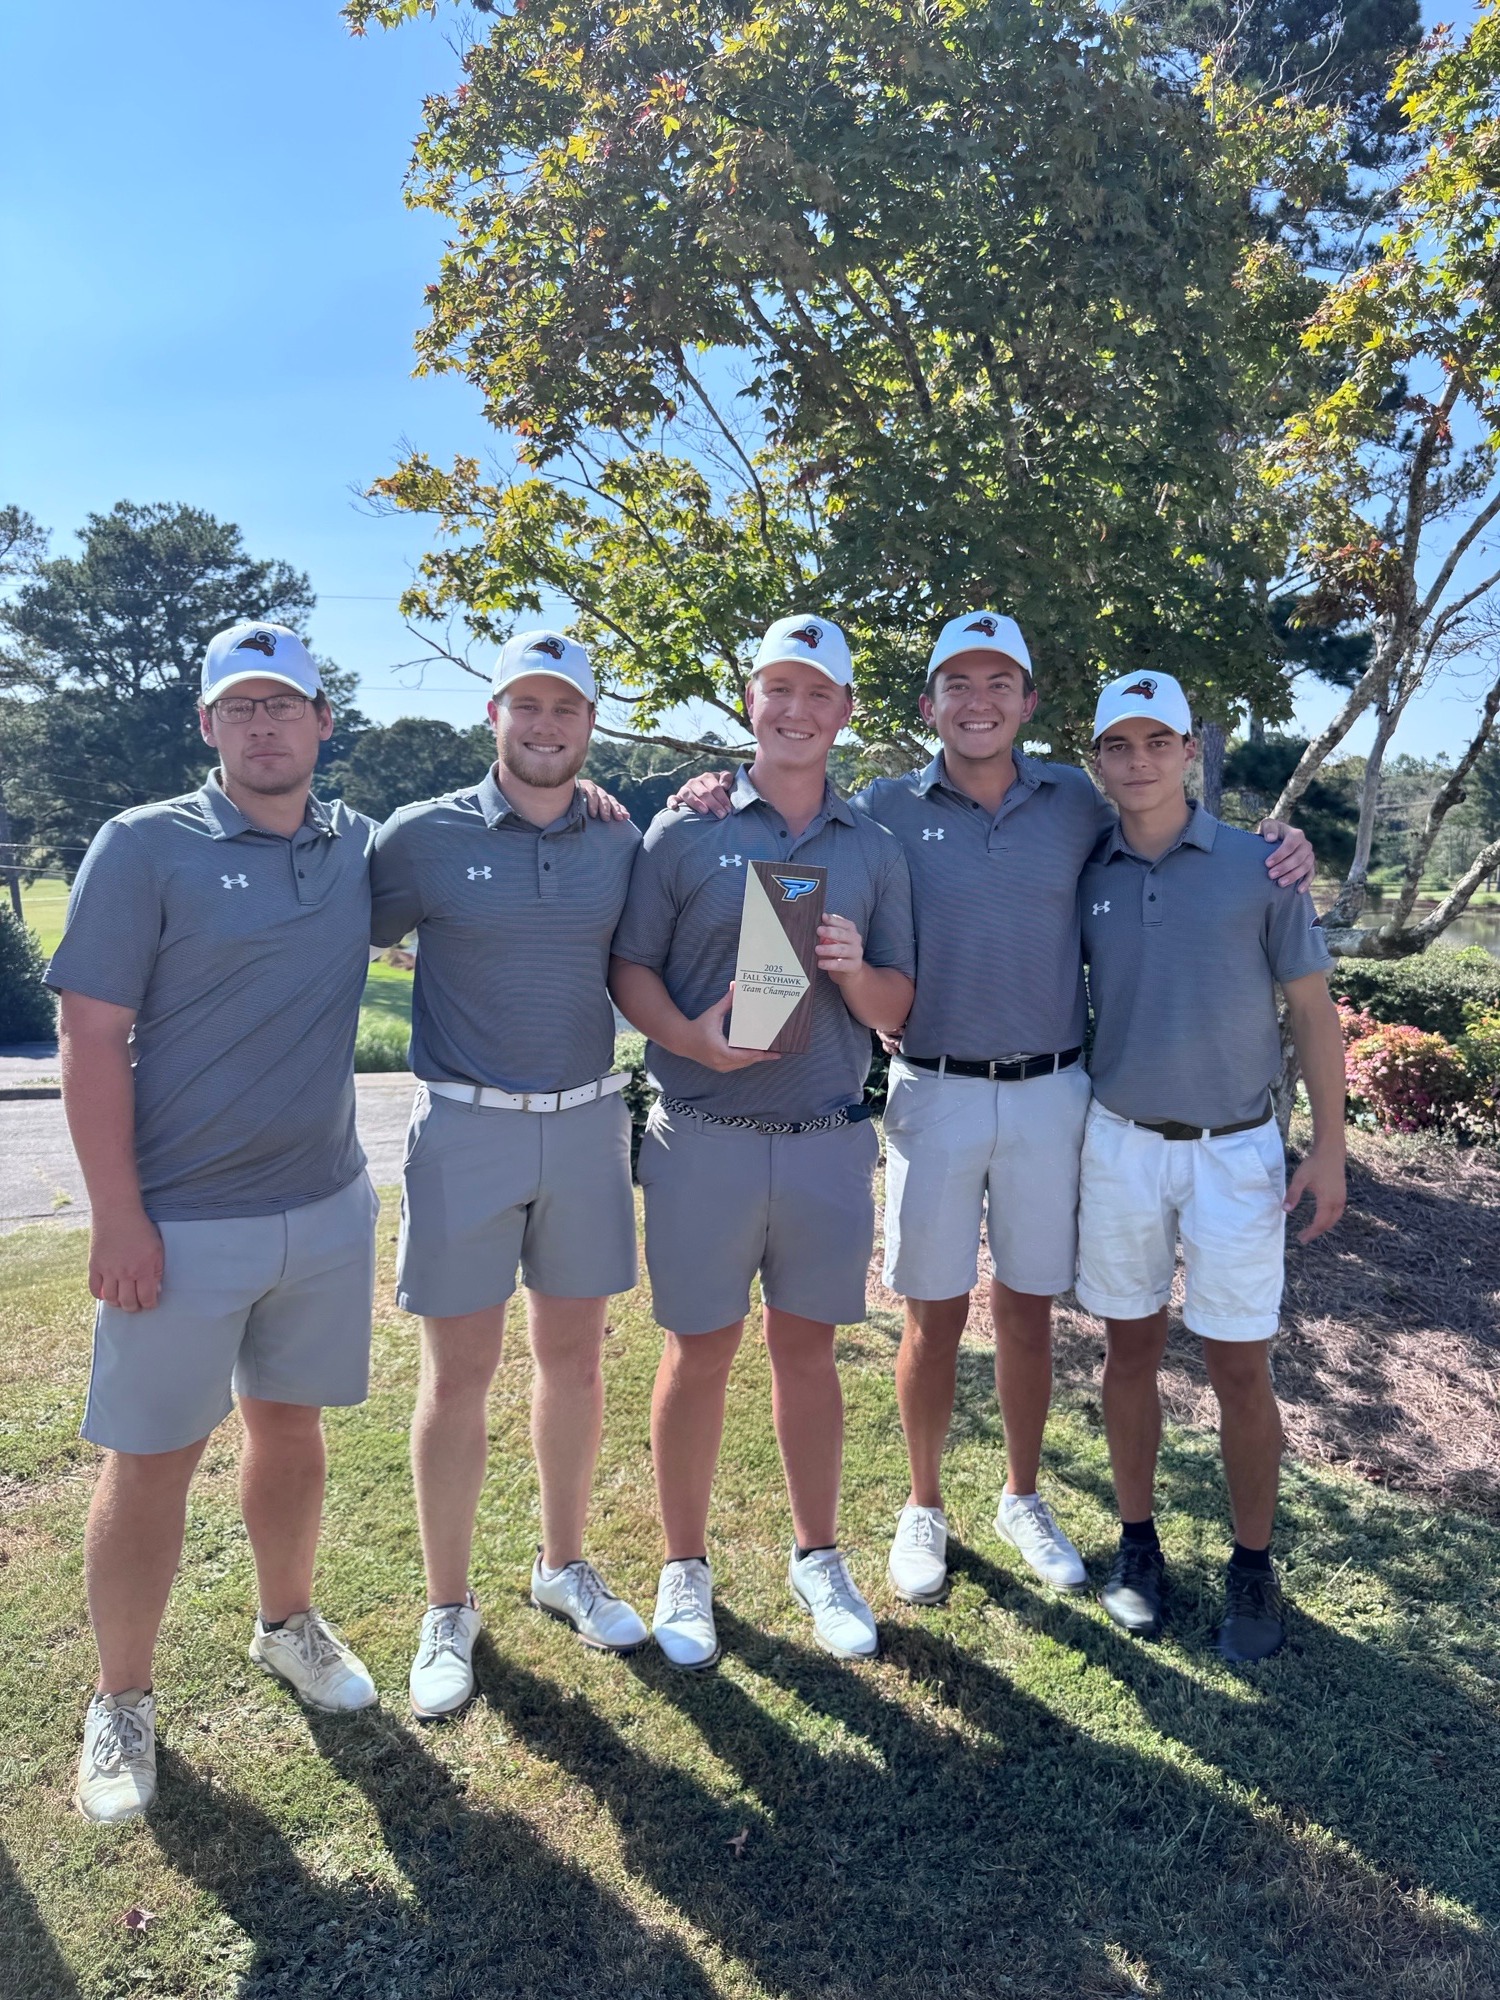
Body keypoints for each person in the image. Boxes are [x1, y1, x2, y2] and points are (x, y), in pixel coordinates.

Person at [671, 614, 1313, 1607]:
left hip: (1057, 1092)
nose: (978, 700)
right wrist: (712, 790)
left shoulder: (1074, 801)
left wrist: (1282, 841)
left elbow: (1169, 827)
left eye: (999, 682)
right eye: (956, 683)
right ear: (926, 704)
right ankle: (924, 1503)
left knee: (1024, 1311)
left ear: (1030, 702)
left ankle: (1022, 1494)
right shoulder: (882, 807)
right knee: (931, 1315)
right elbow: (784, 808)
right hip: (933, 1088)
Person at [50, 623, 381, 1825]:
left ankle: (286, 1621)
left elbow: (492, 817)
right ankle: (122, 1700)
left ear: (321, 720)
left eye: (282, 705)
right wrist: (117, 1215)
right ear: (207, 727)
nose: (262, 726)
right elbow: (90, 1038)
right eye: (238, 708)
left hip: (325, 1203)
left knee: (288, 1433)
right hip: (181, 1224)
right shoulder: (143, 845)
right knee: (152, 1462)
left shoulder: (355, 848)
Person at [610, 615, 915, 1668]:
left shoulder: (875, 846)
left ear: (844, 712)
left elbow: (900, 1001)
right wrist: (691, 1036)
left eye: (816, 692)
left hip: (828, 1136)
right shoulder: (682, 830)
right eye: (776, 687)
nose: (794, 709)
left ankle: (817, 1553)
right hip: (703, 1132)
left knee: (809, 1352)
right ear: (751, 699)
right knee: (698, 1351)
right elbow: (630, 968)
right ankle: (684, 1566)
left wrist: (850, 968)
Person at [370, 631, 648, 1719]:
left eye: (565, 709)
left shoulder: (622, 837)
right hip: (466, 1128)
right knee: (457, 1375)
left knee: (574, 1361)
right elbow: (342, 931)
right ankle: (448, 1605)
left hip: (585, 1122)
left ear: (590, 725)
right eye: (525, 706)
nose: (545, 726)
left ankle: (562, 1563)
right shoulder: (421, 837)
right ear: (493, 714)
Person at [1076, 669, 1346, 1661]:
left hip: (1236, 1152)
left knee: (1239, 1363)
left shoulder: (1259, 865)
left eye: (1159, 741)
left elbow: (1313, 1012)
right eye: (1119, 744)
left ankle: (1252, 1563)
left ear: (1191, 750)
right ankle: (1137, 1544)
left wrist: (1329, 1144)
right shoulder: (1086, 862)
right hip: (1120, 1140)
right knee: (1130, 1350)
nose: (1139, 760)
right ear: (1098, 758)